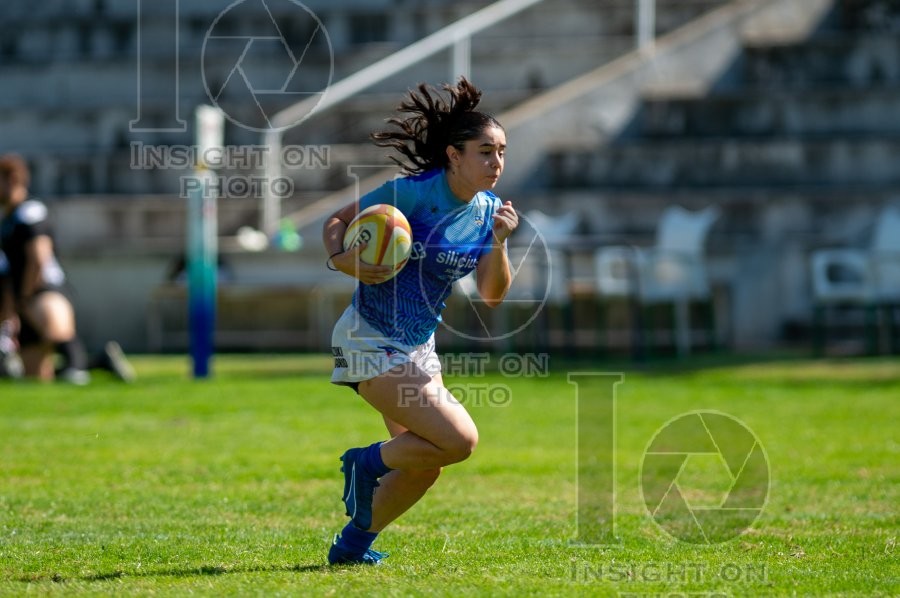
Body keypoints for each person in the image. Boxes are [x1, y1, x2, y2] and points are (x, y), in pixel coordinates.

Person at [322, 78, 519, 565]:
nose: (496, 164)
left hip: (417, 347)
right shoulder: (412, 194)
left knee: (427, 461)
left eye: (501, 153)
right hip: (368, 339)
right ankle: (363, 462)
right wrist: (342, 260)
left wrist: (499, 242)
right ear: (454, 155)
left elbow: (493, 297)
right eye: (484, 152)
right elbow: (336, 222)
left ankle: (350, 549)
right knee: (460, 440)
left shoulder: (490, 212)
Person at [0, 154, 135, 384]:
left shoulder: (30, 212)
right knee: (37, 378)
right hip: (22, 297)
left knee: (57, 334)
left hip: (43, 288)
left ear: (12, 179)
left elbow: (38, 259)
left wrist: (26, 294)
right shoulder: (6, 221)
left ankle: (78, 365)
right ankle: (100, 361)